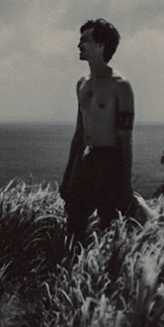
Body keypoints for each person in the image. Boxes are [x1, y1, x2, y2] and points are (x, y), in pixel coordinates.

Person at [60, 18, 137, 243]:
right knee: (73, 223)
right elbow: (79, 134)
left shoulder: (121, 86)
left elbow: (126, 137)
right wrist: (68, 176)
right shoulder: (82, 84)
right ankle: (73, 269)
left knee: (109, 226)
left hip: (110, 162)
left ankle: (108, 273)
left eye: (85, 40)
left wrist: (126, 182)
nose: (79, 45)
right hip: (86, 160)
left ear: (101, 46)